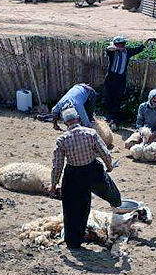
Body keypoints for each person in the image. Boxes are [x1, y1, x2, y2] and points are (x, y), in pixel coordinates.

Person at [51, 106, 134, 250]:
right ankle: (117, 201)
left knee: (73, 209)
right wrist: (109, 166)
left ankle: (73, 242)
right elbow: (105, 152)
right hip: (91, 170)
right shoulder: (90, 133)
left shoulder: (62, 140)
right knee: (106, 187)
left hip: (73, 175)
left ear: (66, 123)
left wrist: (54, 183)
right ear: (78, 119)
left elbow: (57, 165)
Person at [104, 35, 156, 123]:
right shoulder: (113, 52)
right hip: (111, 77)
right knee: (109, 96)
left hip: (120, 79)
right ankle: (109, 116)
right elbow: (108, 48)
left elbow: (139, 49)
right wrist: (117, 48)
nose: (122, 45)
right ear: (116, 44)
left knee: (118, 97)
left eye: (123, 44)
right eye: (120, 44)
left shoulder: (127, 51)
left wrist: (147, 41)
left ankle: (115, 117)